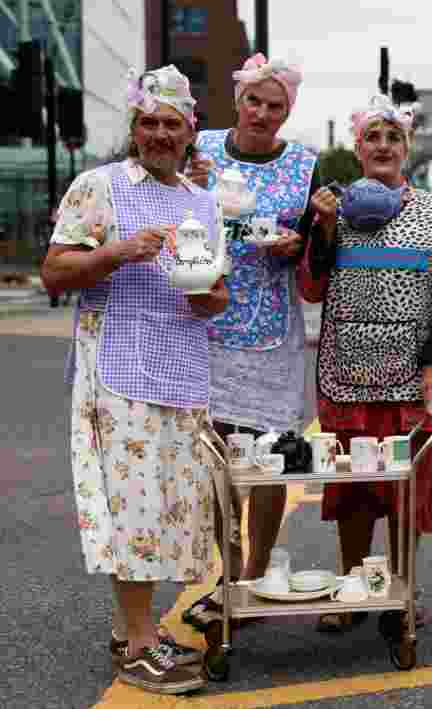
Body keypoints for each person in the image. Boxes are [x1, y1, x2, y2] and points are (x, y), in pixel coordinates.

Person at [41, 65, 228, 695]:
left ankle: (133, 630)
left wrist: (203, 293)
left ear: (189, 131)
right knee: (132, 507)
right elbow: (54, 272)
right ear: (134, 127)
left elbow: (216, 295)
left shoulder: (202, 202)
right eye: (148, 122)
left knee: (174, 506)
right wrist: (113, 254)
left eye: (170, 123)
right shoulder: (98, 187)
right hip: (116, 365)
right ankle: (141, 643)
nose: (158, 133)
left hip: (182, 364)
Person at [298, 92, 432, 633]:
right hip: (346, 374)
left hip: (410, 373)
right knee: (351, 492)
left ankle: (399, 591)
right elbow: (310, 287)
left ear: (407, 147)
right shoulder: (332, 207)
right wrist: (321, 231)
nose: (384, 145)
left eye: (393, 137)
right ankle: (353, 589)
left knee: (404, 487)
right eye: (373, 136)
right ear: (358, 148)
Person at [178, 53, 319, 631]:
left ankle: (258, 573)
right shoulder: (201, 149)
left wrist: (297, 245)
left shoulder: (305, 164)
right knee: (214, 462)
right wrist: (193, 189)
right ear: (238, 100)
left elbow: (317, 246)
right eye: (254, 101)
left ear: (288, 112)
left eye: (275, 105)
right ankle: (227, 571)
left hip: (271, 329)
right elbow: (171, 209)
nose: (262, 113)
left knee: (271, 461)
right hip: (205, 327)